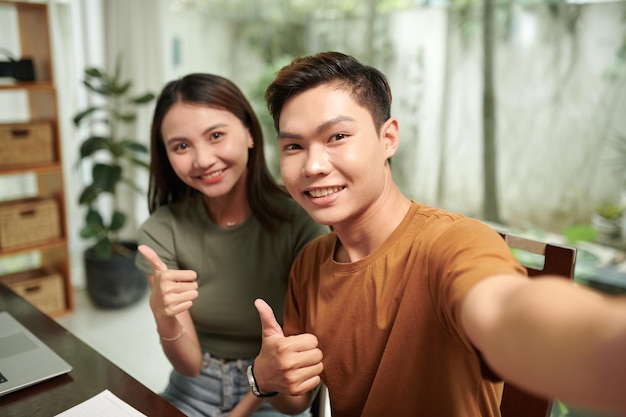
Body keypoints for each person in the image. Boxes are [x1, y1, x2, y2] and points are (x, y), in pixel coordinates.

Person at [248, 51, 626, 417]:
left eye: (337, 137)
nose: (313, 166)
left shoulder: (454, 242)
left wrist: (600, 343)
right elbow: (295, 398)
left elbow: (503, 308)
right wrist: (265, 377)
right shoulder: (310, 263)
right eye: (294, 146)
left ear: (388, 138)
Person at [135, 73, 328, 417]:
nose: (203, 160)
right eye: (181, 146)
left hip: (274, 393)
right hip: (194, 387)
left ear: (250, 133)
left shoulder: (302, 222)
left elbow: (298, 380)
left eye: (216, 135)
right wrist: (163, 317)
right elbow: (190, 365)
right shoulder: (161, 232)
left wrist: (242, 406)